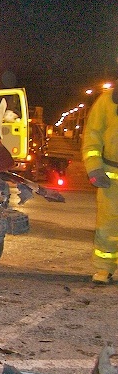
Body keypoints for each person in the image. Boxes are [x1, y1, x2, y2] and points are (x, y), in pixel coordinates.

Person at [82, 87, 118, 283]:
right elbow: (92, 136)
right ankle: (104, 268)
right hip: (112, 176)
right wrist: (94, 168)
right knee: (108, 225)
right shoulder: (107, 101)